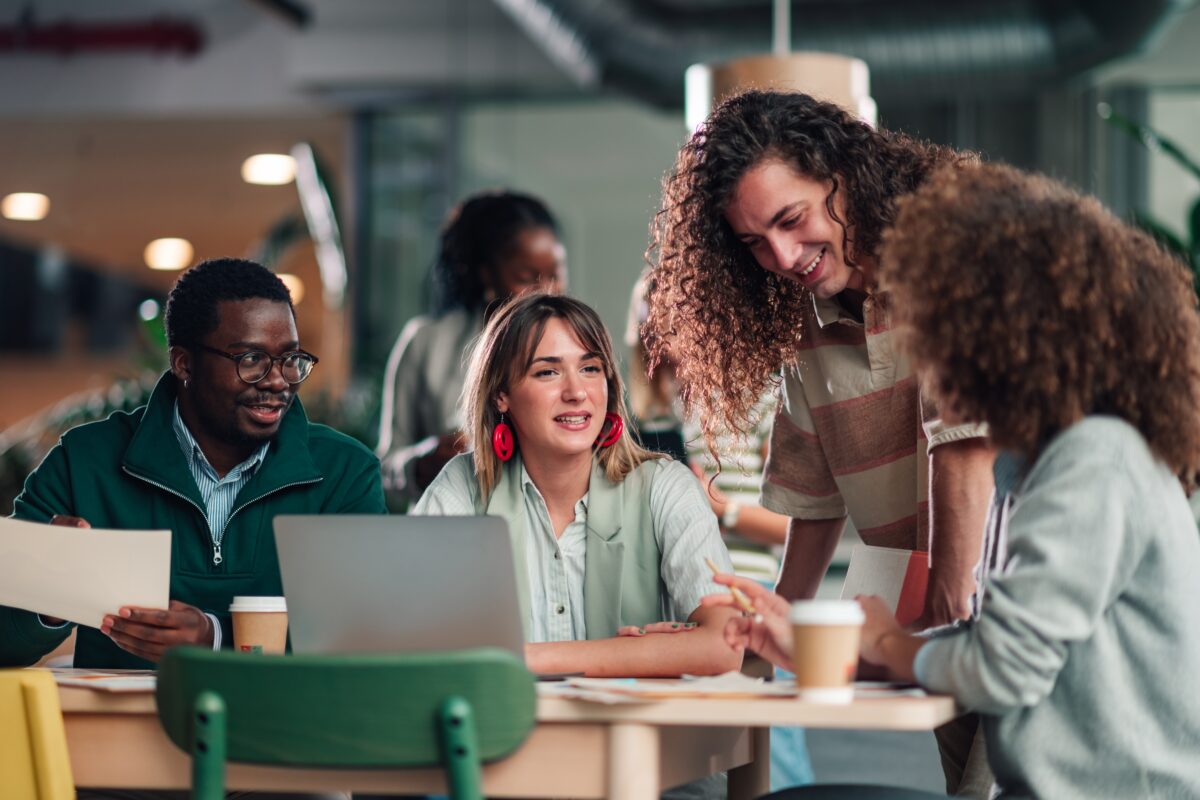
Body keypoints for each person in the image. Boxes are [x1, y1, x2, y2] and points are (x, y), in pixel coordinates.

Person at [707, 164, 1200, 798]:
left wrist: (888, 640)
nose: (930, 353)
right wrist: (826, 647)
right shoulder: (1040, 466)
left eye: (944, 326)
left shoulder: (1095, 463)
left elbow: (999, 667)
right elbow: (992, 636)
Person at [644, 89, 997, 796]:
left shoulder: (951, 254)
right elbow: (814, 500)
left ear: (844, 175)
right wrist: (762, 644)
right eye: (752, 242)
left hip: (1017, 623)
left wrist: (929, 635)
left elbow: (965, 449)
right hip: (945, 636)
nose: (779, 256)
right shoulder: (814, 324)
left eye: (792, 218)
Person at [0, 258, 386, 670]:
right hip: (115, 730)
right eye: (251, 360)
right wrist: (49, 595)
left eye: (290, 360)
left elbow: (365, 634)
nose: (277, 381)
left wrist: (216, 638)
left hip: (281, 728)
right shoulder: (84, 462)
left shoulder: (346, 472)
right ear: (184, 363)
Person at [413, 292, 742, 679]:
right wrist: (643, 654)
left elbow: (726, 644)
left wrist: (523, 659)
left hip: (633, 739)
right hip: (505, 735)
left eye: (590, 368)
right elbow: (406, 635)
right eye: (547, 372)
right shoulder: (461, 488)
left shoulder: (666, 488)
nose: (576, 392)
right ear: (501, 395)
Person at [377, 190, 566, 509]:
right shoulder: (425, 342)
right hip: (443, 536)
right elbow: (384, 469)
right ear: (486, 273)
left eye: (555, 274)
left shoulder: (578, 351)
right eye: (525, 276)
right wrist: (421, 464)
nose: (546, 291)